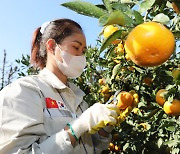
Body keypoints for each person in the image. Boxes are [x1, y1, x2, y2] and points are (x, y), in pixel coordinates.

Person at [0, 18, 121, 154]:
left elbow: (91, 149)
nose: (81, 56)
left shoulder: (79, 100)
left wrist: (104, 131)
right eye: (76, 47)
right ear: (51, 46)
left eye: (83, 51)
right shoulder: (24, 91)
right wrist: (78, 127)